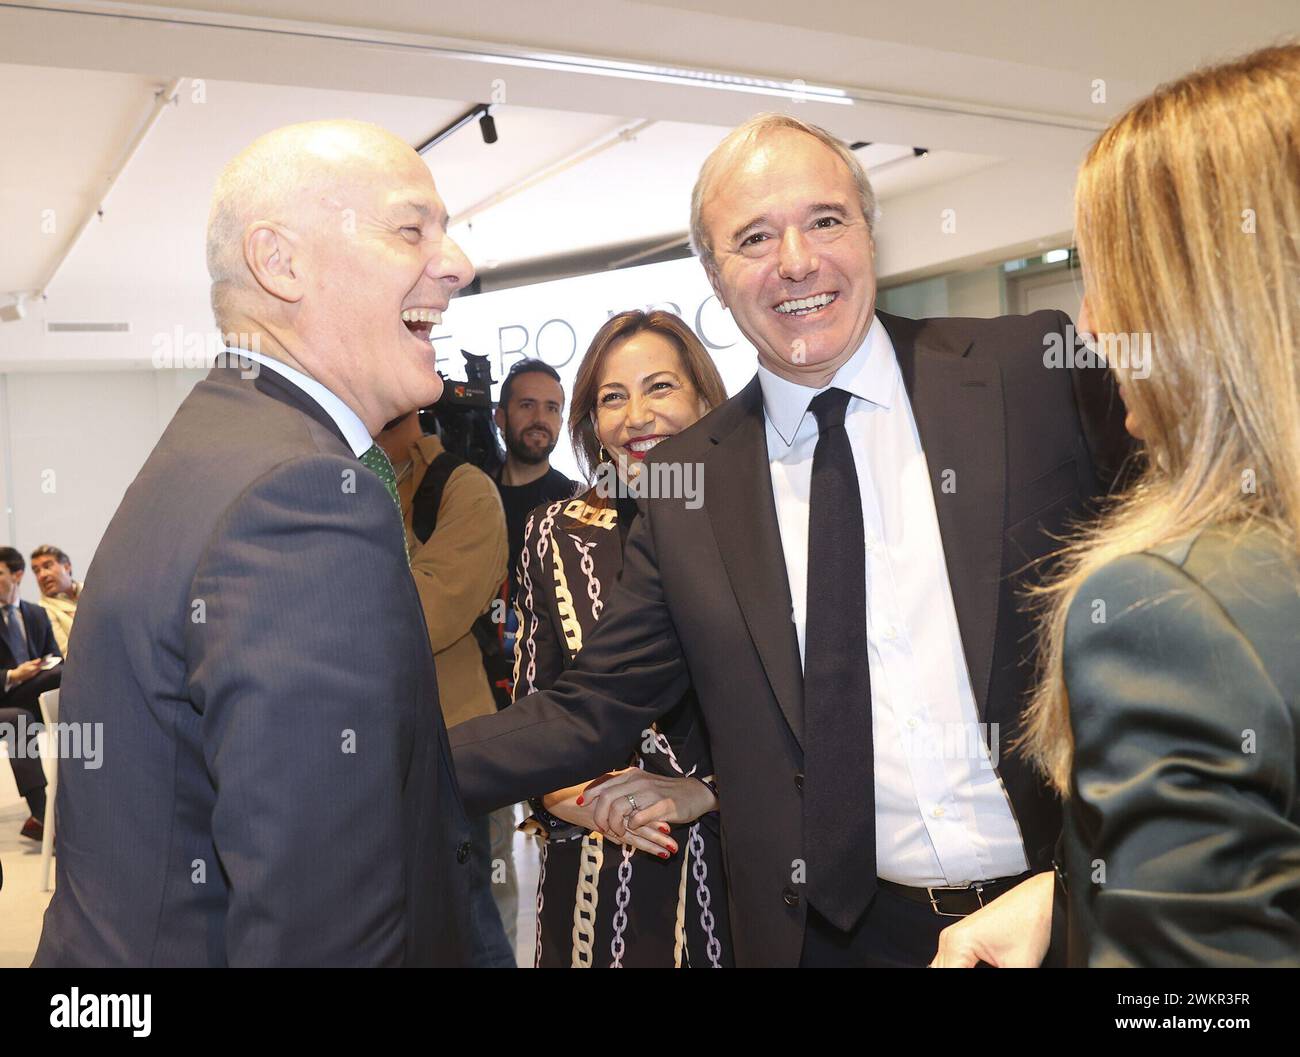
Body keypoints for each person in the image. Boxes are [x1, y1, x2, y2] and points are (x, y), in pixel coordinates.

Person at [451, 112, 1132, 967]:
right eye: (754, 237)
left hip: (1069, 912)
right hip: (833, 940)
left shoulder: (1030, 370)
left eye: (824, 220)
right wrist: (379, 759)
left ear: (869, 232)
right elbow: (590, 707)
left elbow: (1181, 582)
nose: (797, 261)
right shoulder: (691, 482)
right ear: (714, 272)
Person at [34, 119, 482, 966]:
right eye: (410, 227)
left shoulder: (217, 441)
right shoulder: (301, 495)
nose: (457, 261)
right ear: (282, 263)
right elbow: (320, 930)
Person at [932, 43, 1300, 969]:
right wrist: (1077, 896)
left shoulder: (1171, 610)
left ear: (1207, 299)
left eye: (1112, 272)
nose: (1090, 320)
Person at [516, 310, 733, 967]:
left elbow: (810, 717)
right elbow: (537, 706)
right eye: (613, 396)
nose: (636, 415)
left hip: (732, 869)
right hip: (593, 869)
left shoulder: (761, 521)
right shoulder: (553, 531)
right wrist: (567, 798)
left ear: (704, 399)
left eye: (660, 387)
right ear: (592, 420)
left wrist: (707, 790)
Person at [375, 408, 515, 966]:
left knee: (470, 919)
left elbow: (426, 613)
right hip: (363, 750)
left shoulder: (463, 488)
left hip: (451, 746)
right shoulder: (334, 476)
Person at [492, 358, 577, 606]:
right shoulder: (470, 496)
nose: (539, 418)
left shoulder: (575, 502)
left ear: (561, 422)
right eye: (527, 405)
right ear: (500, 417)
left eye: (551, 408)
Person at [0, 545, 60, 840]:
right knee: (17, 721)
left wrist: (40, 667)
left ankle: (85, 805)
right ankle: (42, 815)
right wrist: (13, 675)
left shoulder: (36, 614)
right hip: (5, 700)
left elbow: (56, 657)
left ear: (17, 575)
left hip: (31, 694)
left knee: (63, 676)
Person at [31, 545, 81, 656]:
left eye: (47, 566)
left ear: (67, 567)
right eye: (36, 571)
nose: (42, 575)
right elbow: (67, 654)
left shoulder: (93, 590)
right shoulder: (42, 612)